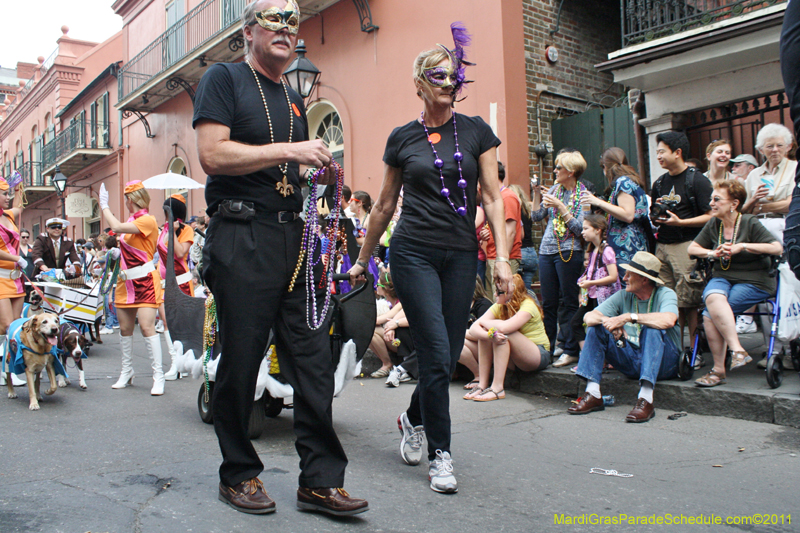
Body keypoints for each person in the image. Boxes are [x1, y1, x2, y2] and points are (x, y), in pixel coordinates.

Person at [193, 0, 367, 515]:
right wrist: (292, 152)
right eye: (275, 20)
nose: (287, 29)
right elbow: (212, 153)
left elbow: (291, 175)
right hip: (242, 236)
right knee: (242, 361)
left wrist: (320, 178)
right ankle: (239, 474)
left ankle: (319, 480)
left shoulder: (292, 99)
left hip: (295, 243)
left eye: (294, 22)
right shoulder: (223, 79)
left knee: (313, 364)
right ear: (249, 31)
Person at [348, 25, 512, 494]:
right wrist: (363, 260)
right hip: (413, 251)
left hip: (462, 255)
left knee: (440, 356)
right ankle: (442, 454)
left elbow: (493, 196)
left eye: (453, 74)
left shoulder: (477, 130)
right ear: (419, 84)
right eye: (437, 75)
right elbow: (382, 205)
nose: (447, 81)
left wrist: (501, 258)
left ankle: (413, 416)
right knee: (438, 353)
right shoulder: (403, 138)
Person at [687, 180, 783, 387]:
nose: (711, 203)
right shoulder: (715, 224)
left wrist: (743, 246)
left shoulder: (749, 222)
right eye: (712, 199)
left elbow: (776, 248)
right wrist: (712, 252)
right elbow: (692, 249)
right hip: (723, 276)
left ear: (734, 203)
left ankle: (718, 371)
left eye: (716, 199)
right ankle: (737, 349)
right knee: (713, 298)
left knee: (710, 313)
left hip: (754, 279)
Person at [568, 251, 680, 423]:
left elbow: (669, 319)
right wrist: (611, 322)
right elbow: (588, 317)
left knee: (652, 328)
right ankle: (593, 393)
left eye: (629, 274)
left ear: (644, 279)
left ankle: (646, 399)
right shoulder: (623, 294)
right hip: (632, 359)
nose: (624, 277)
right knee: (596, 327)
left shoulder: (665, 294)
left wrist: (629, 317)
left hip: (664, 364)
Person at [99, 181, 165, 396]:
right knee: (126, 330)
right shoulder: (131, 222)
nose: (125, 202)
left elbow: (115, 228)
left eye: (126, 198)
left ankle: (159, 376)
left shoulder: (148, 220)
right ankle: (127, 371)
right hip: (124, 283)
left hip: (145, 281)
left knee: (147, 328)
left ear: (131, 200)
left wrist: (104, 206)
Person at [650, 131, 713, 348]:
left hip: (686, 245)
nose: (658, 156)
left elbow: (711, 216)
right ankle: (673, 349)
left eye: (662, 151)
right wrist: (657, 217)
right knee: (667, 301)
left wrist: (681, 223)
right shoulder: (659, 183)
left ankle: (693, 350)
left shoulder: (697, 180)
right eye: (656, 152)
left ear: (677, 153)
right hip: (662, 247)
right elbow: (653, 214)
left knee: (689, 301)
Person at [531, 150, 587, 366]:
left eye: (558, 168)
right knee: (550, 302)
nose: (554, 171)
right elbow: (536, 216)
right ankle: (548, 347)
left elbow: (581, 229)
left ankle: (571, 349)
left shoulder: (583, 195)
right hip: (547, 251)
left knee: (570, 301)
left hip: (569, 251)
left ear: (571, 172)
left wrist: (561, 207)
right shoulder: (554, 189)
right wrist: (537, 193)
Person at [465, 273, 550, 401]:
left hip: (537, 354)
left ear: (511, 292)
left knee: (500, 332)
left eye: (499, 292)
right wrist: (488, 335)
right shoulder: (500, 305)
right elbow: (473, 329)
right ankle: (482, 384)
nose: (494, 295)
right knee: (488, 334)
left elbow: (505, 328)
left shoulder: (528, 305)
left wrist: (487, 326)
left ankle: (497, 388)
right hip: (514, 357)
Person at [556, 214, 620, 368]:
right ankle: (589, 358)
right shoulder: (592, 250)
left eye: (586, 229)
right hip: (591, 295)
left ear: (597, 230)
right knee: (577, 323)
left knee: (600, 327)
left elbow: (613, 276)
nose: (582, 232)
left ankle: (604, 359)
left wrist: (591, 282)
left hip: (603, 297)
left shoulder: (607, 251)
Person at [581, 147, 649, 276]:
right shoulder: (632, 180)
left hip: (626, 246)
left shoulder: (622, 182)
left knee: (626, 285)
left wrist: (597, 201)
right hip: (635, 242)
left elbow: (628, 215)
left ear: (605, 167)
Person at [156, 195, 196, 381]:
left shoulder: (186, 229)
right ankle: (175, 362)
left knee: (181, 324)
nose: (165, 215)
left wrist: (173, 233)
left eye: (168, 211)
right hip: (164, 284)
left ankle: (183, 362)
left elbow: (180, 252)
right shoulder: (163, 229)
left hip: (181, 282)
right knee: (167, 323)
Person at [480, 161, 522, 296]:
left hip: (504, 258)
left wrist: (503, 260)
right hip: (493, 256)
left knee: (504, 300)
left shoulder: (507, 197)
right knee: (495, 300)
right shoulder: (495, 198)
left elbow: (510, 232)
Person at [0, 177, 26, 388]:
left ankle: (8, 368)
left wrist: (18, 186)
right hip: (0, 278)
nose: (7, 197)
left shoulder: (8, 215)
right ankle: (6, 370)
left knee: (14, 326)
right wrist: (17, 258)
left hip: (16, 280)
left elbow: (19, 204)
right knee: (7, 325)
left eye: (7, 193)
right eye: (4, 194)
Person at [459, 276, 493, 387]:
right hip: (470, 344)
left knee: (455, 342)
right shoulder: (459, 304)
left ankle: (479, 375)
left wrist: (461, 334)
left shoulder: (483, 304)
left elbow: (484, 334)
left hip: (486, 346)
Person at [369, 269, 402, 378]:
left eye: (378, 284)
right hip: (396, 338)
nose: (376, 286)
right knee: (367, 329)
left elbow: (382, 319)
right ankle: (387, 363)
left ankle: (387, 364)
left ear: (386, 288)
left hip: (405, 342)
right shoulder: (388, 302)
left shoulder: (400, 303)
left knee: (370, 330)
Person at [508, 184, 538, 290]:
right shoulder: (528, 209)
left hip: (519, 252)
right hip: (531, 253)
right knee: (527, 290)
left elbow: (519, 234)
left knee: (514, 291)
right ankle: (533, 306)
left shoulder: (512, 210)